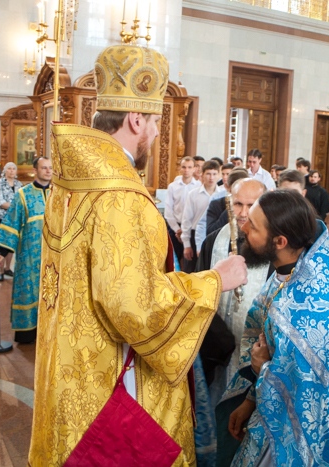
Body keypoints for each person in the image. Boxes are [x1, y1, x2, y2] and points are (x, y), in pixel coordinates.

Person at [28, 44, 248, 466]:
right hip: (113, 381)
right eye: (155, 122)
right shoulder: (122, 197)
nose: (159, 133)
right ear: (135, 119)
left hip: (69, 369)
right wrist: (216, 280)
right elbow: (138, 308)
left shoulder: (69, 182)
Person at [226, 190, 329, 466]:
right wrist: (250, 400)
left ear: (280, 241)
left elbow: (307, 394)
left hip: (296, 440)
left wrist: (263, 368)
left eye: (253, 226)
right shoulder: (293, 271)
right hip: (269, 410)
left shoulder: (308, 310)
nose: (244, 227)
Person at [196, 179, 269, 466]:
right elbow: (198, 288)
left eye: (252, 205)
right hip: (217, 348)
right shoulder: (214, 240)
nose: (243, 212)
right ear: (229, 202)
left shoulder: (270, 245)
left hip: (253, 352)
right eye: (238, 203)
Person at [0, 157, 52, 344]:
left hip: (53, 256)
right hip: (29, 255)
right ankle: (28, 332)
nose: (48, 171)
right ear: (35, 170)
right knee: (28, 291)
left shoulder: (58, 194)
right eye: (44, 168)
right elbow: (12, 222)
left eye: (50, 168)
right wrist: (2, 252)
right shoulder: (23, 194)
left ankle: (49, 330)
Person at [181, 160, 224, 272]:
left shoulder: (223, 194)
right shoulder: (193, 194)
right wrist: (187, 245)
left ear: (219, 175)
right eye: (208, 174)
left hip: (215, 235)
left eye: (214, 174)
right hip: (195, 234)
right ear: (202, 174)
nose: (211, 177)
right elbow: (186, 220)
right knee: (192, 271)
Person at [164, 156, 199, 263]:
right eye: (184, 167)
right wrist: (177, 229)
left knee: (191, 260)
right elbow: (168, 210)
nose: (186, 170)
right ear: (180, 168)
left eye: (189, 167)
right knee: (173, 259)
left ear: (194, 169)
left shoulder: (198, 186)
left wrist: (186, 229)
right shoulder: (172, 187)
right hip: (175, 227)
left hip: (192, 228)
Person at [0, 161, 22, 280]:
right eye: (9, 168)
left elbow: (22, 200)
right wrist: (16, 206)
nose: (11, 171)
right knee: (2, 244)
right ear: (5, 171)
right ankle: (0, 271)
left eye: (13, 169)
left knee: (11, 243)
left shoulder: (19, 184)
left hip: (15, 217)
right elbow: (1, 203)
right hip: (2, 217)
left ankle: (7, 268)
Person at [205, 167, 250, 237]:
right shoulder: (216, 204)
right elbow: (211, 232)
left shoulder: (254, 206)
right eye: (237, 188)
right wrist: (230, 208)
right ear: (227, 187)